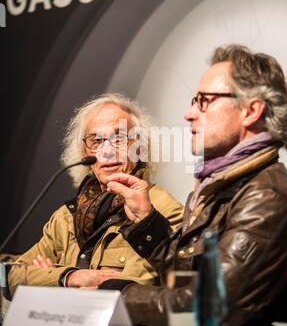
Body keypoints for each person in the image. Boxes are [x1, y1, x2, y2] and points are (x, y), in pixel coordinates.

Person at [100, 44, 287, 326]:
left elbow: (207, 305)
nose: (189, 113)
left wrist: (115, 295)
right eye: (194, 100)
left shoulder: (265, 195)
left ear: (251, 111)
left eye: (204, 101)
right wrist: (147, 223)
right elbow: (186, 277)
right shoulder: (219, 182)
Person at [8, 94, 183, 294]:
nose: (107, 151)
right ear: (84, 153)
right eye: (96, 141)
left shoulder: (163, 211)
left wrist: (47, 278)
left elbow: (136, 291)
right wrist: (68, 277)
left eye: (119, 138)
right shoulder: (66, 217)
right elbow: (13, 275)